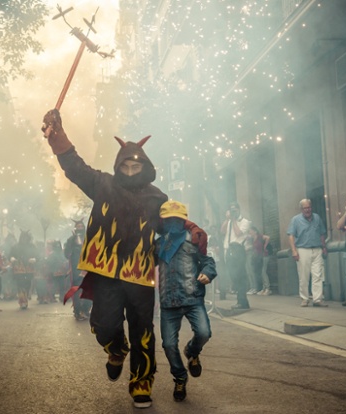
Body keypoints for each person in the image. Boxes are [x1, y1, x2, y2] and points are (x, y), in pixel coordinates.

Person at [42, 109, 167, 409]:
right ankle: (116, 348)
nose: (131, 167)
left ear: (145, 166)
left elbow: (172, 227)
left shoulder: (157, 198)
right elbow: (75, 167)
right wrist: (57, 136)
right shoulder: (103, 185)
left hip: (140, 275)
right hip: (108, 273)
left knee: (143, 331)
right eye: (126, 163)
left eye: (136, 163)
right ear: (118, 165)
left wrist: (189, 230)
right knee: (103, 325)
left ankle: (141, 382)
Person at [155, 200, 217, 402]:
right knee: (168, 345)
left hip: (192, 297)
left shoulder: (194, 238)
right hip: (167, 301)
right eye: (168, 219)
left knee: (204, 333)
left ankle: (192, 351)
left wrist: (208, 273)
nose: (172, 223)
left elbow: (207, 261)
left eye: (177, 219)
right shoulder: (158, 244)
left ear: (183, 220)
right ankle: (180, 377)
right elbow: (141, 263)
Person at [287, 199, 328, 307]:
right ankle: (304, 299)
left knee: (317, 275)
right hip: (302, 250)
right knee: (304, 276)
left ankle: (317, 299)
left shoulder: (317, 217)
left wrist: (324, 247)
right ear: (301, 209)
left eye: (309, 207)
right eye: (305, 208)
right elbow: (291, 235)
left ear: (311, 207)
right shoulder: (295, 220)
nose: (307, 210)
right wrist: (294, 251)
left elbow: (322, 233)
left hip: (317, 249)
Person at [220, 202, 251, 309]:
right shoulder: (229, 222)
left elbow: (238, 233)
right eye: (231, 210)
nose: (233, 212)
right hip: (228, 250)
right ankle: (243, 301)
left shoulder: (245, 222)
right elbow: (222, 231)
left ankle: (242, 302)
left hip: (238, 250)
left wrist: (233, 220)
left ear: (239, 209)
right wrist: (227, 219)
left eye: (235, 210)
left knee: (240, 276)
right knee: (233, 276)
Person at [64, 219, 92, 321]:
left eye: (81, 226)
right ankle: (77, 311)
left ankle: (86, 310)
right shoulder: (70, 240)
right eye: (78, 227)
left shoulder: (89, 238)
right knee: (77, 289)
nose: (80, 228)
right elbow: (66, 254)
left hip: (88, 268)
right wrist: (72, 249)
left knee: (88, 289)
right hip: (76, 269)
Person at [9, 230, 38, 310]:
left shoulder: (32, 246)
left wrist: (34, 259)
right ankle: (22, 301)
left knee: (27, 284)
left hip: (29, 269)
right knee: (20, 284)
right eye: (23, 237)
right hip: (19, 268)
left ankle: (25, 299)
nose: (24, 239)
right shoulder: (16, 246)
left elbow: (37, 255)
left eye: (25, 238)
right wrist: (12, 258)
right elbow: (10, 255)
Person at [249, 226, 272, 296]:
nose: (250, 232)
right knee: (260, 272)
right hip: (260, 257)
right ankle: (264, 288)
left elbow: (268, 237)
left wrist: (265, 245)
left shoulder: (259, 236)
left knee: (263, 271)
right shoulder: (253, 239)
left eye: (251, 231)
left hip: (265, 255)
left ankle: (268, 288)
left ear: (255, 231)